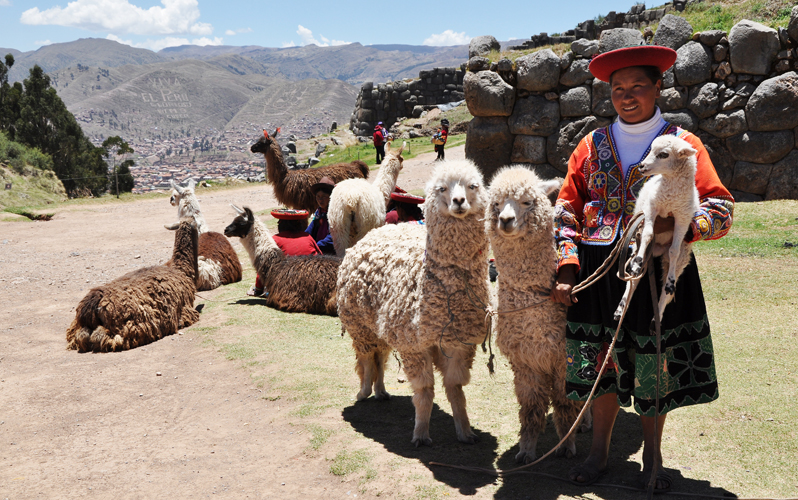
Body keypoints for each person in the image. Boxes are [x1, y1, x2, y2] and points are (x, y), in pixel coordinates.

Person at [549, 45, 734, 493]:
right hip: (599, 269)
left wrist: (683, 227)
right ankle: (598, 452)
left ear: (657, 89)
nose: (626, 96)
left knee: (656, 366)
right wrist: (567, 267)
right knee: (602, 366)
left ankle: (653, 456)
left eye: (637, 86)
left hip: (661, 273)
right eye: (617, 89)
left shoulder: (683, 146)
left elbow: (721, 206)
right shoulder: (590, 146)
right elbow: (565, 211)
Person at [247, 209, 321, 296]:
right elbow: (320, 257)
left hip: (287, 283)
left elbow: (264, 266)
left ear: (281, 225)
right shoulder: (308, 237)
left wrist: (258, 289)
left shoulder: (275, 240)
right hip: (313, 281)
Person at [306, 176, 336, 255]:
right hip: (319, 248)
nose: (320, 200)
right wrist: (303, 239)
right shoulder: (319, 212)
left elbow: (332, 237)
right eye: (318, 197)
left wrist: (316, 246)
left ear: (331, 197)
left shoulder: (335, 213)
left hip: (331, 251)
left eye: (323, 197)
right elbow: (311, 229)